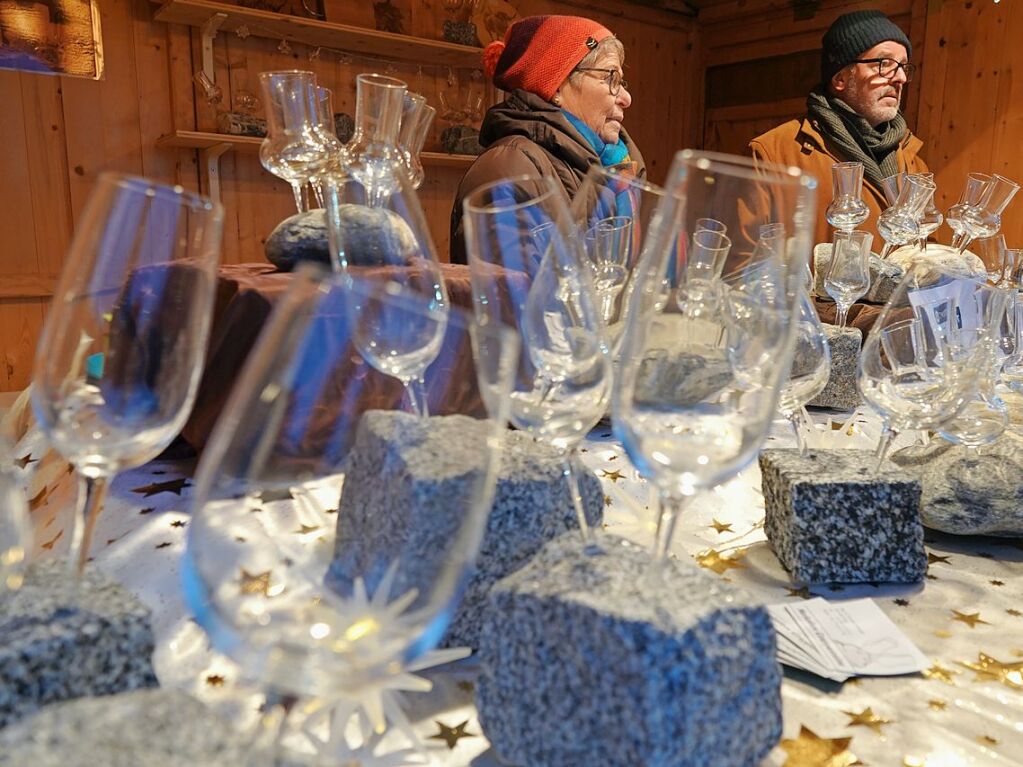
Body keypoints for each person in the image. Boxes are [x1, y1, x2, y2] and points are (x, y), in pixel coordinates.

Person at [449, 14, 645, 265]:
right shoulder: (509, 168)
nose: (626, 98)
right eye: (611, 78)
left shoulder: (619, 172)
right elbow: (512, 298)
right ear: (558, 86)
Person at [750, 10, 928, 250]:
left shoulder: (913, 160)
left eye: (904, 67)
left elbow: (924, 247)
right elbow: (745, 262)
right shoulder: (772, 154)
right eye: (884, 64)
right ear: (841, 78)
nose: (900, 79)